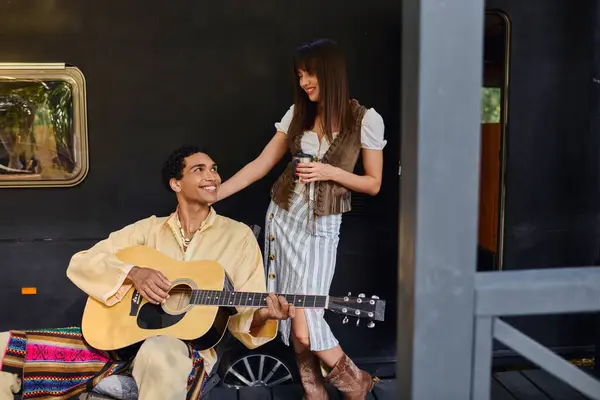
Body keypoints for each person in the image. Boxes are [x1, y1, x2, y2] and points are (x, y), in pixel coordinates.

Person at [0, 145, 296, 400]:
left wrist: (264, 315)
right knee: (7, 347)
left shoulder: (238, 236)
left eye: (214, 169)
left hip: (184, 352)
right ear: (176, 184)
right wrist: (133, 273)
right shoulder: (148, 230)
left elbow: (244, 318)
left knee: (158, 349)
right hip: (117, 345)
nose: (213, 176)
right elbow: (82, 262)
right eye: (199, 169)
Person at [217, 38, 386, 400]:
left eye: (309, 73)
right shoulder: (298, 114)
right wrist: (214, 194)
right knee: (294, 320)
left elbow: (373, 183)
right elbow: (261, 166)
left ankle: (355, 382)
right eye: (299, 75)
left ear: (330, 72)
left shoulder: (366, 120)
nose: (304, 81)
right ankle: (316, 393)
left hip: (321, 228)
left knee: (306, 324)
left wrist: (330, 171)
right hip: (282, 219)